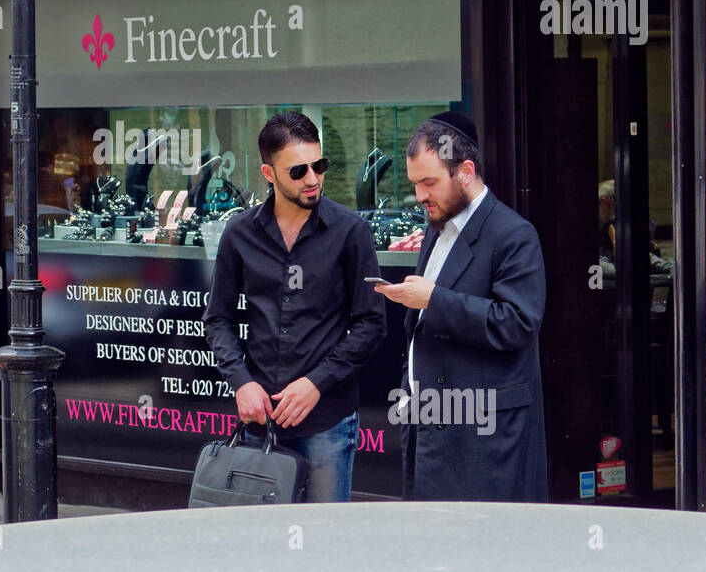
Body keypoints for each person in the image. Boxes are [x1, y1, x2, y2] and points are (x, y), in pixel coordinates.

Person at [203, 111, 387, 502]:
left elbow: (371, 323)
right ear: (269, 174)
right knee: (263, 544)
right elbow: (218, 318)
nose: (313, 179)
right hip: (260, 420)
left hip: (327, 423)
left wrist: (315, 384)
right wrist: (241, 382)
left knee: (321, 541)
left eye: (318, 166)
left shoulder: (350, 232)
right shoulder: (240, 234)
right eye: (298, 171)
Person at [375, 112, 548, 502]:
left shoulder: (513, 234)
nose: (420, 195)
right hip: (428, 424)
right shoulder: (437, 226)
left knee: (479, 551)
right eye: (415, 183)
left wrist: (434, 300)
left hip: (482, 440)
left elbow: (518, 323)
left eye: (429, 182)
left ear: (466, 171)